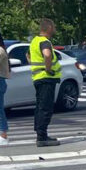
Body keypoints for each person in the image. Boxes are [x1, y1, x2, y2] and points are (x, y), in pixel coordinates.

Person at [29, 18, 61, 147]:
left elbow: (28, 56)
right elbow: (47, 55)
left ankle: (40, 133)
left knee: (40, 107)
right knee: (46, 108)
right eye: (53, 26)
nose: (54, 29)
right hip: (46, 78)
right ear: (48, 28)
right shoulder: (45, 42)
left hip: (38, 78)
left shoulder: (34, 41)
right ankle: (42, 137)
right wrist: (48, 69)